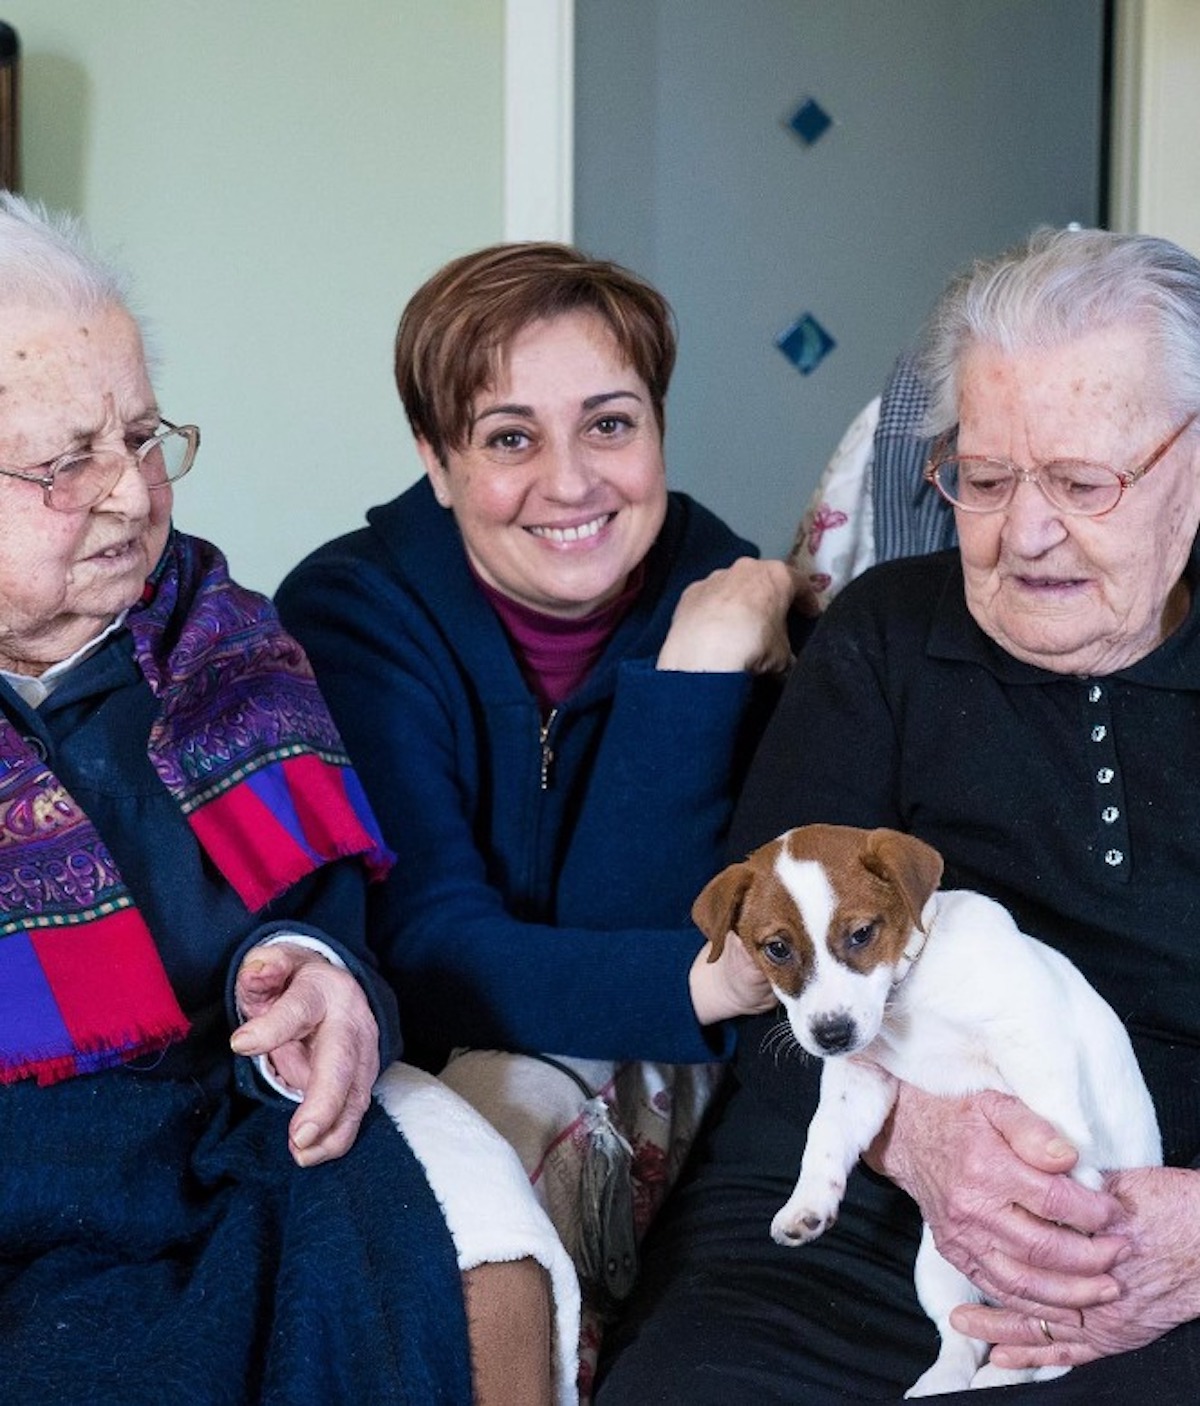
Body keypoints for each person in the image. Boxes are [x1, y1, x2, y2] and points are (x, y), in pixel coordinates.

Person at [594, 225, 1200, 1405]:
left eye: (1081, 482)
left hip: (1169, 1239)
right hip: (858, 1215)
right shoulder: (885, 635)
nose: (1022, 532)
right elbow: (753, 967)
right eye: (981, 477)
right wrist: (913, 1138)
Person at [0, 194, 568, 1406]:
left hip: (230, 1126)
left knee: (420, 1268)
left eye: (144, 438)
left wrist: (315, 968)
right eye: (67, 462)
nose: (130, 494)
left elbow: (317, 911)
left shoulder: (227, 644)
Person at [276, 242, 806, 1387]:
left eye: (610, 423)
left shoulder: (721, 591)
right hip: (420, 1059)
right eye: (510, 436)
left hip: (656, 1069)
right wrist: (701, 984)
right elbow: (429, 951)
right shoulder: (350, 610)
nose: (572, 482)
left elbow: (629, 918)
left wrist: (696, 667)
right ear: (435, 457)